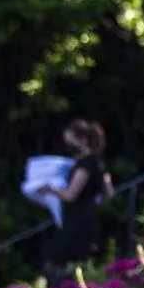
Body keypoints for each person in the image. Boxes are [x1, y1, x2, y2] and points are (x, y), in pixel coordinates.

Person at [42, 118, 114, 279]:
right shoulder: (99, 162)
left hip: (77, 221)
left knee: (57, 260)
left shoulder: (85, 164)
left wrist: (50, 189)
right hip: (90, 217)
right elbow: (109, 193)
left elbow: (70, 195)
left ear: (81, 140)